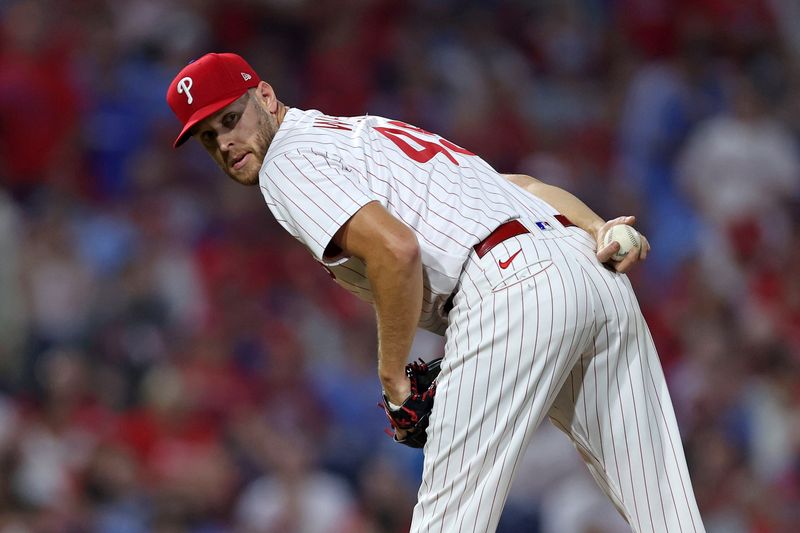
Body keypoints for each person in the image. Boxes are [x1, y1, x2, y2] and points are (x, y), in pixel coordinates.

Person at [166, 52, 705, 532]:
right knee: (663, 507)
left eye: (230, 119)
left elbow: (395, 251)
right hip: (585, 273)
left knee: (448, 517)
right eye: (209, 136)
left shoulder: (287, 161)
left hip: (511, 289)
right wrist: (597, 228)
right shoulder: (362, 131)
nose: (225, 142)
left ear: (265, 95)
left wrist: (392, 377)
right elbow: (518, 186)